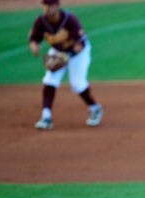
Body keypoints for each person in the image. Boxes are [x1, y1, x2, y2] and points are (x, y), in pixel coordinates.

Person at [28, 0, 103, 130]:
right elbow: (34, 38)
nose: (46, 8)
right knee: (50, 80)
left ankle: (95, 108)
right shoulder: (41, 21)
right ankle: (46, 117)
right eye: (44, 5)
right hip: (58, 51)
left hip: (79, 53)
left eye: (49, 5)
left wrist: (67, 57)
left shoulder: (70, 19)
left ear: (57, 6)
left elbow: (80, 45)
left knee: (77, 84)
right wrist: (34, 47)